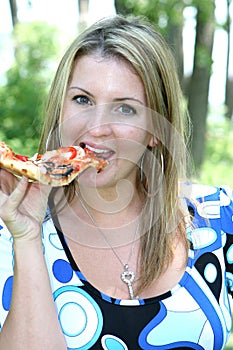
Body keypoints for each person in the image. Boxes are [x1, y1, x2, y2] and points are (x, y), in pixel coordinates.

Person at [0, 14, 232, 350]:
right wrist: (27, 236)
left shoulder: (218, 216)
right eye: (82, 100)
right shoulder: (10, 234)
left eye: (124, 109)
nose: (96, 127)